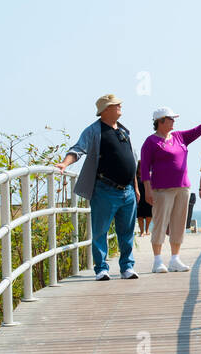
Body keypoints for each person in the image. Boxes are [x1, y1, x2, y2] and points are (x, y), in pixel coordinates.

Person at [140, 107, 201, 272]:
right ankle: (157, 260)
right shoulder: (150, 142)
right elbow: (144, 169)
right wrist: (147, 190)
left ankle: (175, 259)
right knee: (160, 223)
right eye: (170, 119)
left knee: (178, 223)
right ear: (160, 121)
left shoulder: (179, 136)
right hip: (161, 189)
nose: (174, 121)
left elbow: (200, 129)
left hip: (182, 187)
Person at [55, 94, 139, 280]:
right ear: (105, 110)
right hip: (105, 190)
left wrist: (136, 187)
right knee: (100, 231)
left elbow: (131, 160)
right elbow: (78, 149)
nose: (119, 106)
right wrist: (64, 164)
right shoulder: (94, 131)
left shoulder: (124, 131)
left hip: (128, 191)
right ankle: (101, 268)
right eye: (116, 105)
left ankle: (127, 267)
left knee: (127, 232)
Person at [135, 159, 152, 236]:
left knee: (149, 215)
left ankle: (147, 229)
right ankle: (142, 231)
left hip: (148, 197)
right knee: (140, 216)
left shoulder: (149, 176)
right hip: (139, 198)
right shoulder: (135, 177)